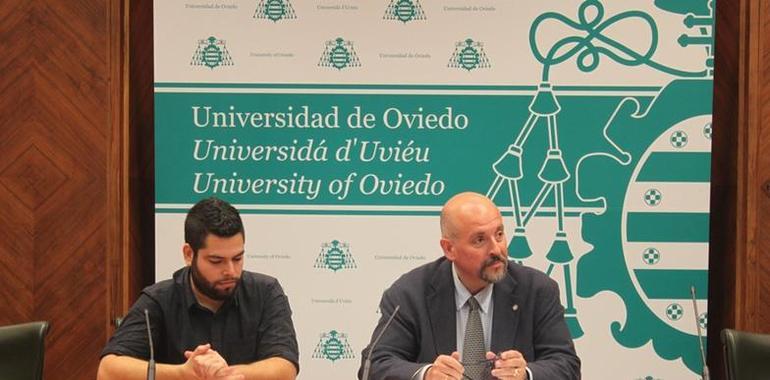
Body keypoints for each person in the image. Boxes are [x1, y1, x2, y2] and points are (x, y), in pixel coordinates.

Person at [359, 192, 580, 380]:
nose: (497, 249)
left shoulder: (537, 290)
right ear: (449, 249)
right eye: (479, 240)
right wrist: (426, 374)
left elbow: (567, 365)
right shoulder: (410, 293)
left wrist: (526, 374)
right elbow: (373, 365)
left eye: (500, 234)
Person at [98, 197, 299, 380]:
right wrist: (183, 374)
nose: (230, 271)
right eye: (216, 261)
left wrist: (223, 374)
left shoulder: (265, 293)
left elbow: (284, 368)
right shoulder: (159, 300)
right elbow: (108, 370)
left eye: (237, 258)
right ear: (188, 254)